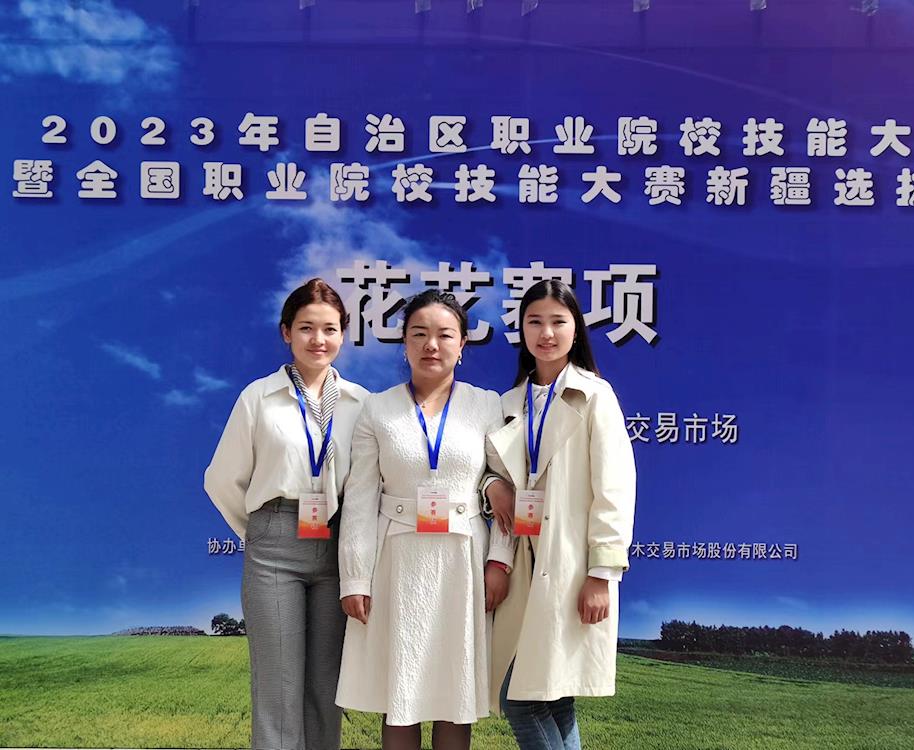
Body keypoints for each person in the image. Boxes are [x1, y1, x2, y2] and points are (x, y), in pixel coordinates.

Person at [337, 289, 508, 750]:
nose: (431, 345)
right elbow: (359, 500)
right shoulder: (378, 408)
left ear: (462, 344)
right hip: (396, 561)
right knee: (401, 693)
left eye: (444, 335)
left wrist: (500, 561)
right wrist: (355, 578)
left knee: (455, 693)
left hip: (463, 562)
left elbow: (503, 483)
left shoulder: (486, 405)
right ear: (405, 343)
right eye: (419, 334)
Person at [204, 277, 369, 750]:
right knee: (278, 687)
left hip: (338, 547)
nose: (319, 339)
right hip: (274, 547)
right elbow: (221, 479)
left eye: (330, 329)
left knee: (326, 688)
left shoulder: (361, 403)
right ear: (286, 333)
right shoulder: (259, 397)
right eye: (306, 328)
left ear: (344, 335)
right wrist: (262, 529)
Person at [484, 279, 636, 750]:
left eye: (558, 322)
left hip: (570, 569)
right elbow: (489, 473)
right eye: (534, 322)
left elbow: (614, 490)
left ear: (576, 329)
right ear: (521, 330)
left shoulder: (594, 396)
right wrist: (492, 488)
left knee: (522, 700)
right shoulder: (509, 404)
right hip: (523, 567)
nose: (546, 333)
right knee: (548, 696)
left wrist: (601, 574)